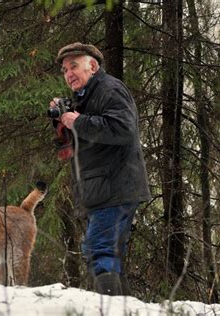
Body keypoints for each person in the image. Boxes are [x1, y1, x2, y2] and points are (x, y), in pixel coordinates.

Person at [51, 42, 151, 296]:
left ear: (92, 66)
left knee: (99, 248)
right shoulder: (84, 98)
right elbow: (75, 146)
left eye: (74, 66)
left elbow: (124, 129)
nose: (68, 74)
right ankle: (122, 308)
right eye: (64, 70)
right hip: (101, 190)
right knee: (108, 253)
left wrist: (79, 121)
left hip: (115, 187)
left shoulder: (110, 88)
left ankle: (109, 306)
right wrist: (61, 119)